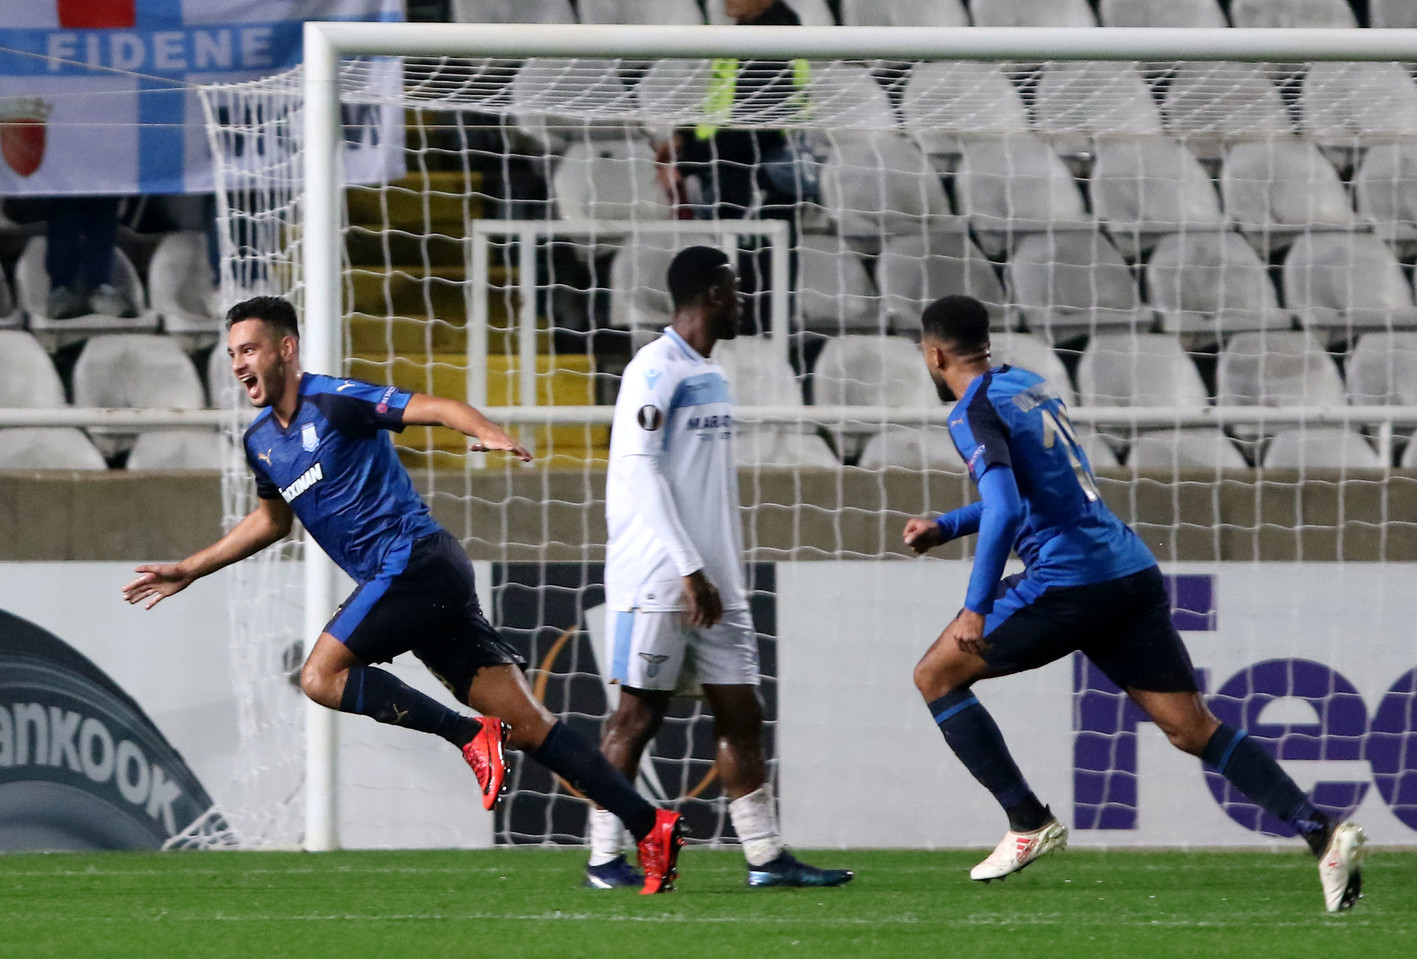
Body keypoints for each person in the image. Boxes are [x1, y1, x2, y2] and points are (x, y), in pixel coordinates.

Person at [121, 295, 685, 893]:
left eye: (250, 349)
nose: (239, 364)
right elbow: (272, 522)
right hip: (415, 583)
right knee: (529, 725)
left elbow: (435, 406)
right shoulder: (262, 442)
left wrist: (486, 429)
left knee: (319, 677)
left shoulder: (335, 400)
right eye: (233, 353)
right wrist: (190, 568)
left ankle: (470, 736)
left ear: (285, 349)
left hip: (416, 561)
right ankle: (652, 825)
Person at [901, 294, 1368, 913]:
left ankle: (1027, 819)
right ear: (986, 341)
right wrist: (948, 524)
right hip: (1128, 571)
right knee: (1191, 728)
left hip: (1069, 582)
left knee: (935, 675)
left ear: (934, 354)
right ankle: (1320, 832)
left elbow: (1010, 508)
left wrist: (975, 607)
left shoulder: (970, 412)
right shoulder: (1027, 386)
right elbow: (1044, 492)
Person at [584, 245, 852, 890]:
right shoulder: (654, 368)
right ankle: (602, 858)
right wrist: (687, 566)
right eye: (733, 290)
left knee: (741, 712)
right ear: (710, 296)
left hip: (713, 580)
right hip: (660, 577)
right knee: (637, 716)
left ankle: (764, 857)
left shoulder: (711, 373)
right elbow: (640, 470)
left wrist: (712, 572)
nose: (742, 301)